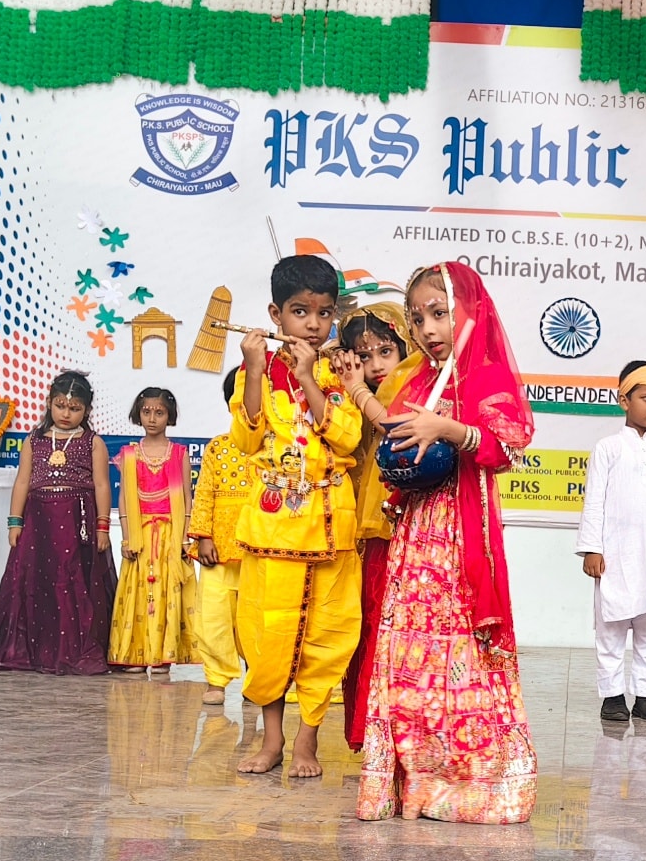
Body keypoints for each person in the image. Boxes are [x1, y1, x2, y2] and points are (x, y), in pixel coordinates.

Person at [344, 262, 538, 822]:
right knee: (409, 653)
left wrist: (448, 429)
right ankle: (412, 782)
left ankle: (471, 785)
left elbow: (508, 447)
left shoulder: (485, 377)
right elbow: (397, 432)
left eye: (440, 313)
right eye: (418, 318)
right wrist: (357, 390)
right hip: (412, 537)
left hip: (458, 537)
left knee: (459, 652)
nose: (428, 328)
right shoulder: (420, 379)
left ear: (469, 312)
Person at [230, 254, 363, 779]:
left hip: (331, 527)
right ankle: (272, 740)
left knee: (327, 637)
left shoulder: (341, 368)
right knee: (267, 636)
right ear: (275, 314)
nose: (312, 324)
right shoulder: (257, 369)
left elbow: (348, 438)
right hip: (274, 528)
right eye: (300, 312)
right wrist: (256, 370)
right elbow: (247, 440)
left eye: (323, 313)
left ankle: (308, 740)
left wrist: (309, 377)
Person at [0, 370, 117, 674]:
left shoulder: (92, 442)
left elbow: (102, 485)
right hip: (37, 523)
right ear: (49, 403)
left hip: (77, 523)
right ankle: (34, 652)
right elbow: (22, 481)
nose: (66, 414)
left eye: (74, 408)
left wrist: (103, 526)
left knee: (72, 582)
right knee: (34, 583)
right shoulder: (34, 440)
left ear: (87, 410)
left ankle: (73, 651)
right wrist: (15, 522)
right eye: (60, 406)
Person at [577, 360, 646, 724]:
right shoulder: (608, 448)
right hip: (615, 555)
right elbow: (594, 500)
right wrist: (592, 547)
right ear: (624, 400)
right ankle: (612, 696)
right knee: (610, 628)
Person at [336, 298, 415, 750]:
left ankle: (402, 732)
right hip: (364, 536)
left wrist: (357, 391)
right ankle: (371, 732)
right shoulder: (349, 402)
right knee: (369, 625)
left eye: (386, 351)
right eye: (364, 356)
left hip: (409, 532)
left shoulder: (415, 390)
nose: (377, 365)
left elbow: (396, 429)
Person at [108, 387, 195, 673]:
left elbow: (186, 497)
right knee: (139, 592)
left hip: (170, 535)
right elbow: (124, 498)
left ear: (170, 416)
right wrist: (127, 537)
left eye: (159, 412)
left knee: (167, 593)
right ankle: (137, 654)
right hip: (140, 536)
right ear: (138, 414)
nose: (152, 418)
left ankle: (162, 656)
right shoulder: (129, 454)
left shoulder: (179, 453)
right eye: (146, 412)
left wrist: (184, 539)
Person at [187, 368, 256, 703]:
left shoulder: (276, 448)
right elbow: (204, 493)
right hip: (218, 548)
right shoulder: (218, 446)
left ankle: (257, 680)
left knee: (255, 619)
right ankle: (216, 681)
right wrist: (203, 537)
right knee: (213, 616)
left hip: (260, 547)